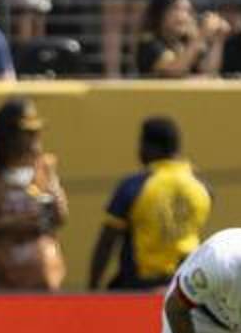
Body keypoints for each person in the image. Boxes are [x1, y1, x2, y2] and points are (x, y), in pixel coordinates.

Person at [88, 116, 212, 290]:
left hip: (141, 286)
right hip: (186, 285)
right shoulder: (202, 186)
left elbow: (107, 242)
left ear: (151, 147)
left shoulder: (134, 186)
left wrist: (93, 288)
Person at [0, 97, 68, 290]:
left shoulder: (44, 168)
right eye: (27, 133)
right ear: (7, 135)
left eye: (36, 131)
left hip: (43, 279)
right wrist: (9, 224)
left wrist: (56, 203)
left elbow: (60, 218)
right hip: (0, 279)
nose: (35, 137)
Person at [136, 0, 230, 78]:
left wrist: (218, 40)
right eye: (175, 9)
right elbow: (173, 72)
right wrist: (200, 36)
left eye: (187, 10)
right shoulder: (149, 43)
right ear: (159, 13)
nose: (182, 16)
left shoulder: (185, 42)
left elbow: (209, 72)